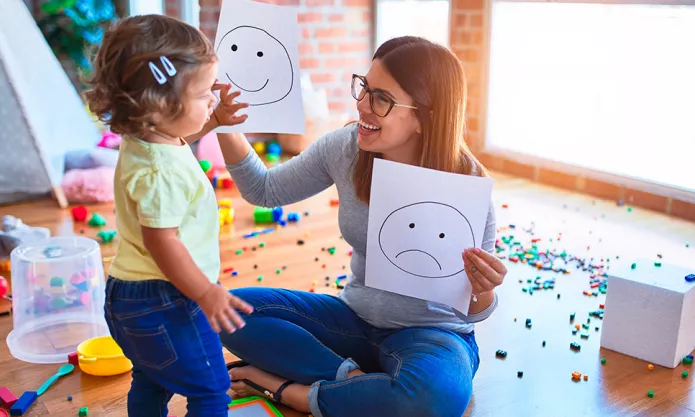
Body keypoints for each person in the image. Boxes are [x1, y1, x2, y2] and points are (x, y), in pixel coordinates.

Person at [216, 36, 508, 417]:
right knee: (222, 311)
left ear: (425, 115)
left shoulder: (466, 183)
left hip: (433, 336)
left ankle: (291, 390)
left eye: (381, 98)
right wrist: (224, 126)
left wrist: (484, 290)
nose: (362, 105)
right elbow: (264, 189)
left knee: (434, 398)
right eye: (364, 87)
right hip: (351, 322)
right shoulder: (346, 147)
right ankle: (351, 379)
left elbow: (473, 311)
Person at [85, 15, 253, 417]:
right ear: (158, 106)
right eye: (202, 95)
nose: (211, 100)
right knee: (212, 389)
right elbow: (163, 240)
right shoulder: (161, 175)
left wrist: (213, 121)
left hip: (126, 295)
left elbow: (177, 138)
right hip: (167, 298)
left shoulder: (144, 137)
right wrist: (205, 292)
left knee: (151, 378)